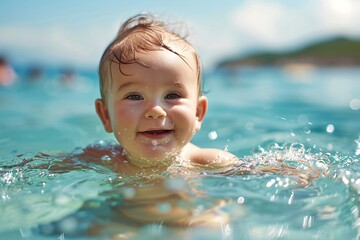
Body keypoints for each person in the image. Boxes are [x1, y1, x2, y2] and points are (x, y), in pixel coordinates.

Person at [94, 13, 241, 174]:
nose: (155, 110)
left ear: (198, 113)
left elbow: (264, 170)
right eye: (134, 96)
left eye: (172, 95)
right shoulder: (101, 158)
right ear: (106, 115)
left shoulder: (212, 163)